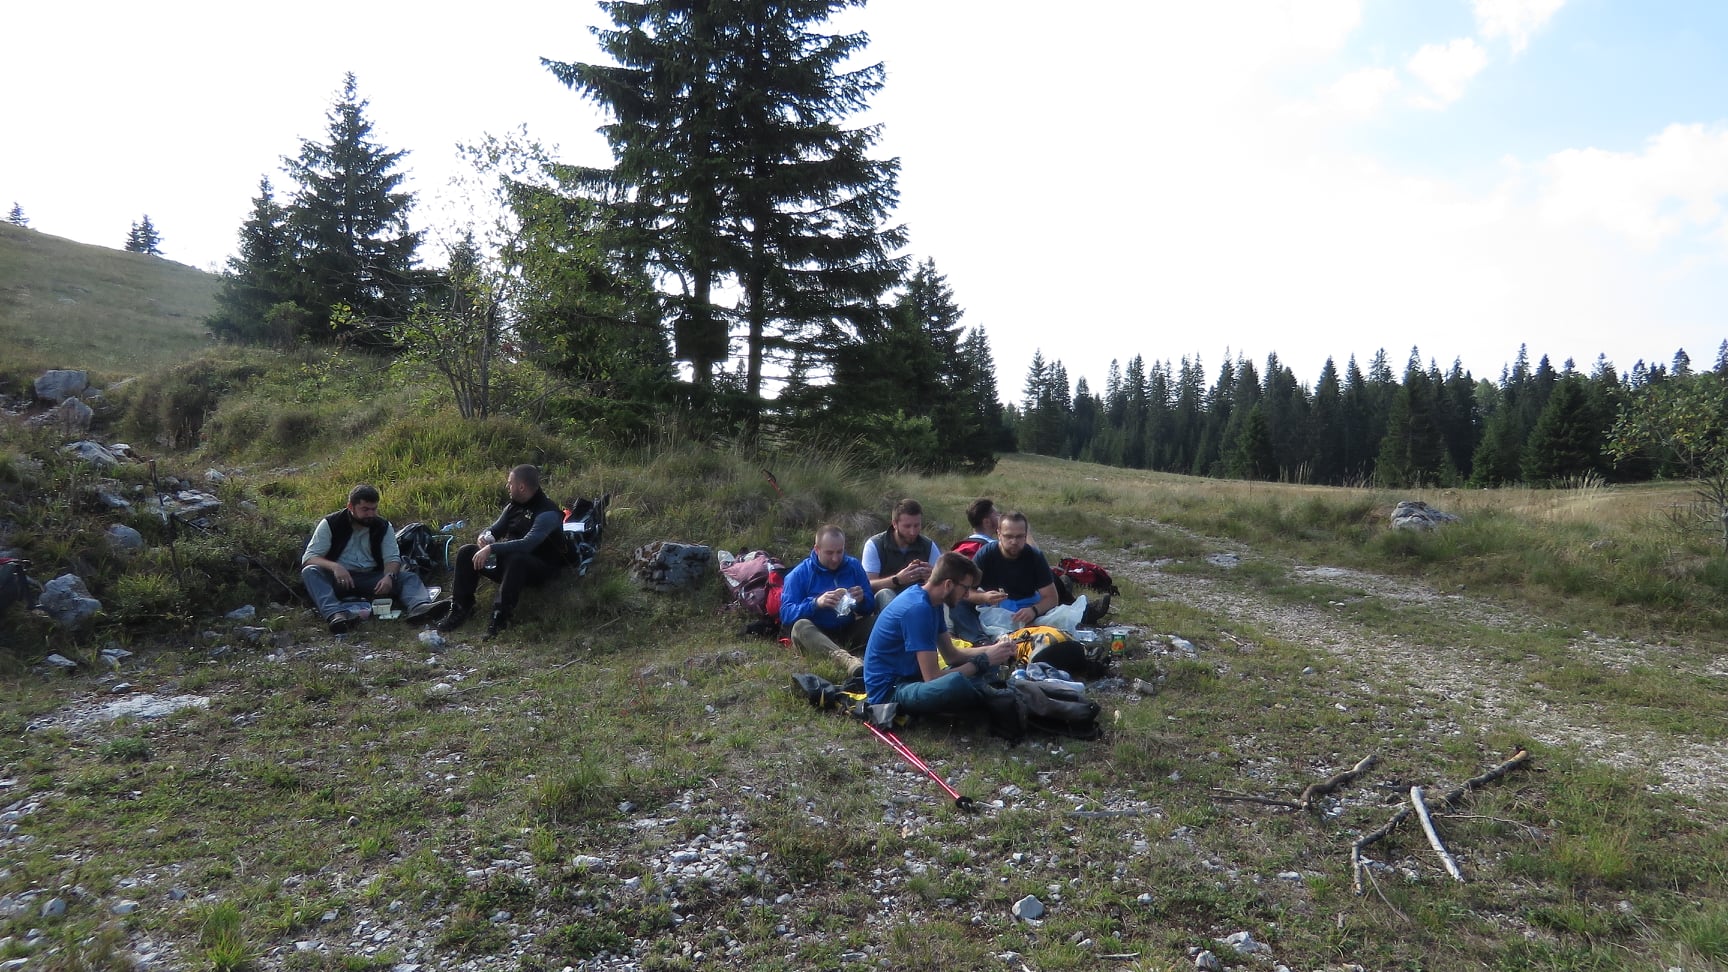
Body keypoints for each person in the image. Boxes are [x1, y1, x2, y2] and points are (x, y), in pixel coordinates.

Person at [862, 552, 1019, 716]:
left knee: (984, 665)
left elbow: (951, 655)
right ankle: (989, 697)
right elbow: (932, 677)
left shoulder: (933, 603)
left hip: (912, 679)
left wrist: (993, 650)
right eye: (965, 589)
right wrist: (983, 661)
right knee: (955, 683)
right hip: (890, 692)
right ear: (948, 585)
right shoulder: (918, 609)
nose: (967, 595)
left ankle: (984, 693)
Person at [437, 464, 566, 638]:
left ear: (521, 487)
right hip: (511, 565)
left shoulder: (547, 512)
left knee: (517, 559)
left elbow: (528, 544)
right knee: (467, 552)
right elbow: (495, 529)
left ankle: (500, 617)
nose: (507, 487)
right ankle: (460, 608)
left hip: (541, 568)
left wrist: (492, 548)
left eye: (510, 483)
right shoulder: (514, 507)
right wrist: (485, 537)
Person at [302, 484, 439, 634]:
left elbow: (392, 559)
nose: (370, 514)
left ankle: (419, 608)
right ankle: (336, 615)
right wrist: (335, 567)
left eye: (374, 509)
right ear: (351, 507)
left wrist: (389, 576)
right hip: (340, 579)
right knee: (310, 571)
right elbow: (309, 558)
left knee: (408, 577)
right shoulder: (330, 523)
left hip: (371, 577)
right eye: (365, 509)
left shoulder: (383, 526)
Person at [779, 525, 875, 676]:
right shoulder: (799, 574)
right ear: (817, 549)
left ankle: (894, 655)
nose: (835, 558)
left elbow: (870, 606)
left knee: (880, 621)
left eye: (840, 552)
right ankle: (847, 661)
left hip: (847, 630)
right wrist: (816, 603)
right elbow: (786, 614)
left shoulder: (853, 566)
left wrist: (862, 600)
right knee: (800, 626)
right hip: (816, 635)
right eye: (829, 553)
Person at [950, 510, 1059, 643]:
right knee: (958, 605)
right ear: (999, 534)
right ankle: (980, 642)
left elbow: (1051, 597)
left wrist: (1034, 610)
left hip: (1027, 608)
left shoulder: (1035, 556)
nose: (1014, 541)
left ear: (1025, 536)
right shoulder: (986, 554)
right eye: (1008, 536)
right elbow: (963, 591)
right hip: (993, 609)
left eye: (1019, 537)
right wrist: (983, 597)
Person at [862, 498, 943, 612]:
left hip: (917, 602)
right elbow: (867, 585)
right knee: (885, 593)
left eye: (917, 525)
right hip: (885, 605)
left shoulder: (928, 546)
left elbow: (943, 585)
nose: (913, 532)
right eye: (907, 526)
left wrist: (933, 577)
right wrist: (897, 580)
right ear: (895, 524)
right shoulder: (875, 545)